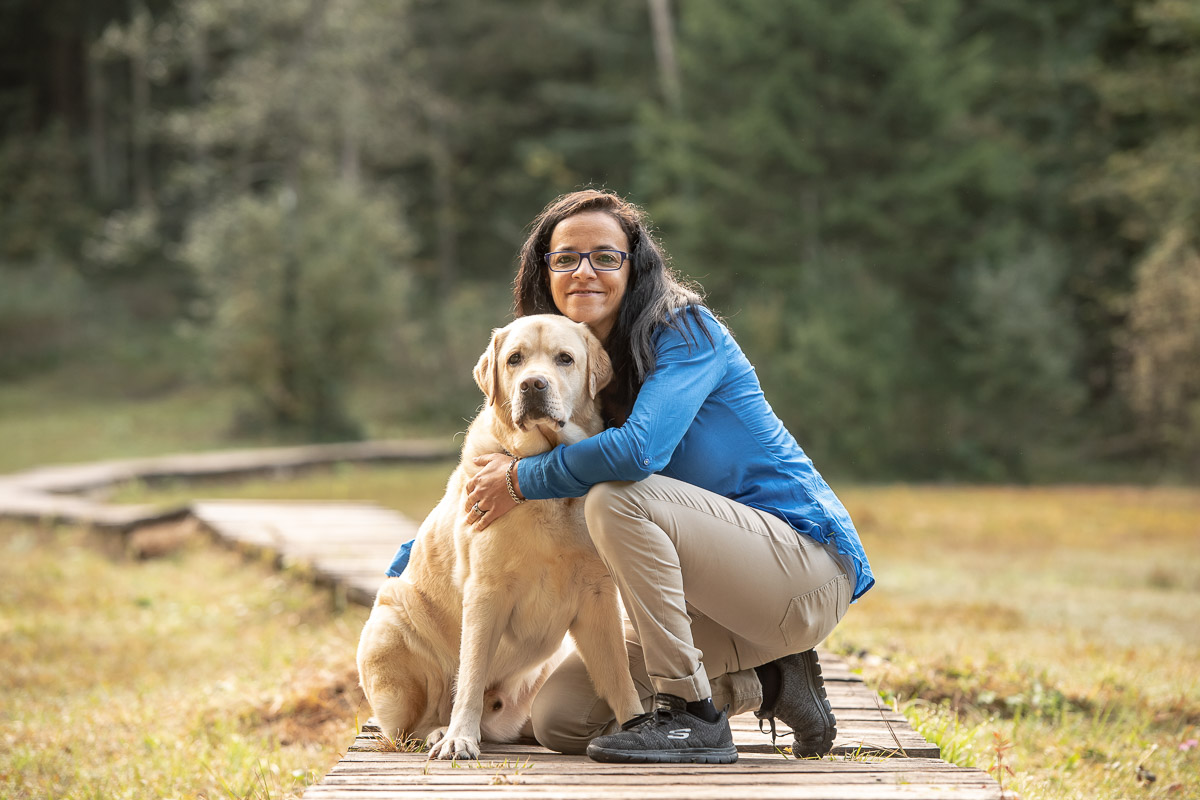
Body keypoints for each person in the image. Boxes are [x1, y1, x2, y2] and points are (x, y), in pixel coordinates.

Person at [463, 189, 874, 764]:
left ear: (635, 267)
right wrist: (423, 550)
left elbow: (637, 454)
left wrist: (518, 481)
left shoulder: (687, 333)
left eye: (606, 257)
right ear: (544, 272)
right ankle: (772, 682)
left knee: (615, 499)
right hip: (713, 601)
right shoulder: (573, 367)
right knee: (561, 718)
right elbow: (488, 464)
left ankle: (693, 714)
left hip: (801, 569)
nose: (584, 271)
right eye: (566, 258)